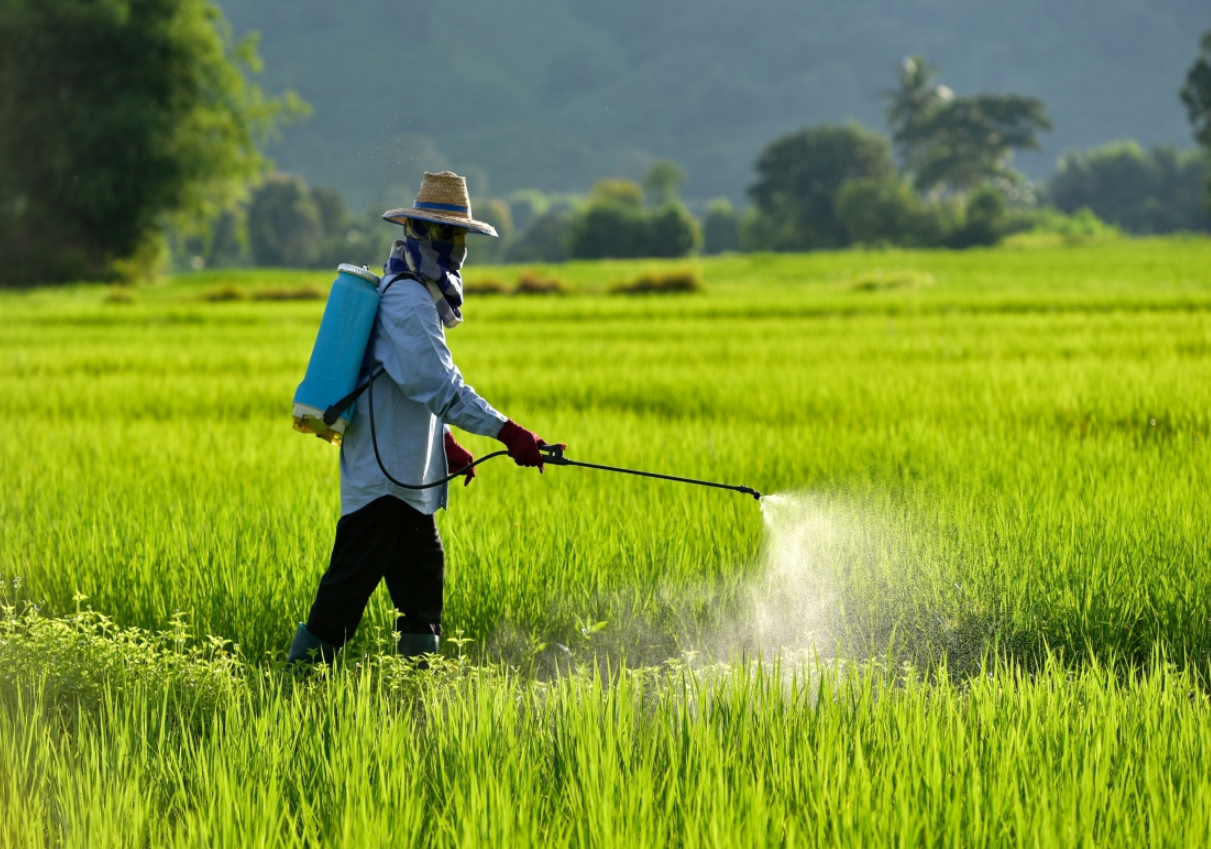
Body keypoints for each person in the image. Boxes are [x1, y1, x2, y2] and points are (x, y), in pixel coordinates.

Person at [286, 171, 558, 665]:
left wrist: (445, 443)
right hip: (385, 479)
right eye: (451, 235)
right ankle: (293, 686)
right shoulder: (409, 299)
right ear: (426, 234)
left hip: (409, 478)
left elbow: (410, 383)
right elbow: (437, 385)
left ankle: (415, 693)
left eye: (461, 237)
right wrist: (508, 431)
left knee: (422, 593)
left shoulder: (419, 294)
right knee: (342, 599)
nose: (458, 247)